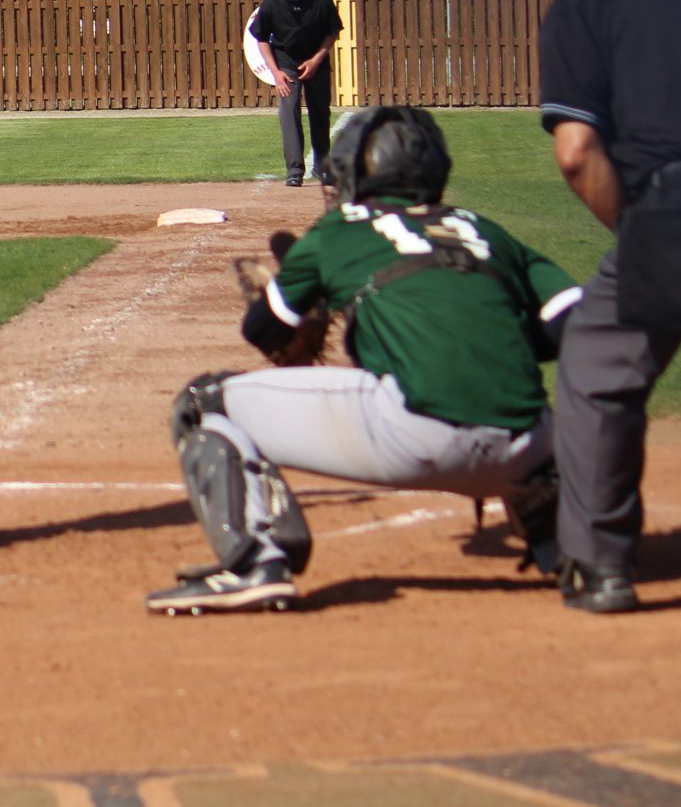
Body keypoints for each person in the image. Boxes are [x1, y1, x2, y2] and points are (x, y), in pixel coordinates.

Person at [148, 106, 581, 614]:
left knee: (203, 403)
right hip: (529, 446)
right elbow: (577, 327)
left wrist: (308, 308)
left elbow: (261, 330)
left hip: (412, 439)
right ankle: (563, 542)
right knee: (512, 395)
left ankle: (254, 564)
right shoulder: (484, 230)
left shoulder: (341, 228)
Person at [539, 0, 681, 615]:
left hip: (674, 209)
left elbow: (577, 151)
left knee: (598, 369)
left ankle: (600, 564)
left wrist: (635, 233)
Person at [249, 0, 342, 187]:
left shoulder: (320, 0)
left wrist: (316, 60)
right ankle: (294, 170)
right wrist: (276, 72)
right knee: (289, 112)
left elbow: (332, 32)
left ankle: (323, 167)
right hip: (286, 63)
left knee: (320, 112)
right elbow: (261, 39)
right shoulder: (271, 4)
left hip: (315, 61)